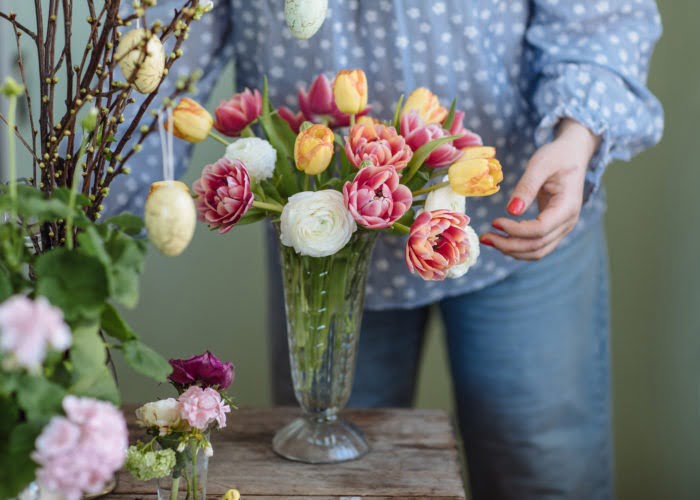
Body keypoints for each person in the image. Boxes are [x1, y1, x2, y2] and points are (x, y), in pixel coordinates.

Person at [111, 1, 664, 498]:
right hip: (322, 236)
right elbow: (160, 52)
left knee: (541, 469)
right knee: (329, 477)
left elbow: (596, 16)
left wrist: (576, 139)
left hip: (516, 216)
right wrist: (93, 233)